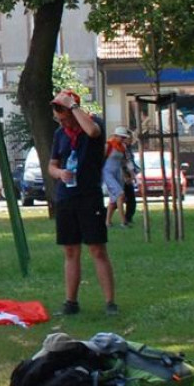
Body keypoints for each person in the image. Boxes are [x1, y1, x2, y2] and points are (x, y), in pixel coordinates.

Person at [47, 90, 118, 316]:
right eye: (59, 119)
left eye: (64, 117)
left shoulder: (93, 124)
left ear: (73, 110)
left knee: (97, 249)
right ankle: (71, 303)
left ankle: (110, 303)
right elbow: (51, 165)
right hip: (66, 197)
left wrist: (74, 107)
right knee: (70, 250)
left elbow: (93, 131)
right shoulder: (60, 134)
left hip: (89, 196)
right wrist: (59, 173)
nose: (62, 123)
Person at [103, 126, 131, 228]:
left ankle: (107, 222)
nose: (123, 139)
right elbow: (101, 159)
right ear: (115, 136)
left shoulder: (123, 147)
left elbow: (124, 162)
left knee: (113, 199)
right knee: (120, 194)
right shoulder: (108, 145)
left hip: (118, 173)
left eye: (124, 137)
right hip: (108, 173)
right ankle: (123, 221)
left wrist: (127, 175)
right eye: (121, 137)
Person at [121, 132, 139, 228]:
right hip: (123, 176)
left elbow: (130, 162)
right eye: (130, 138)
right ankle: (125, 219)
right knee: (119, 199)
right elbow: (123, 163)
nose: (131, 140)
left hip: (128, 175)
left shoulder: (128, 148)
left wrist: (133, 175)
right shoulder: (122, 148)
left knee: (129, 199)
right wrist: (126, 176)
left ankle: (128, 217)